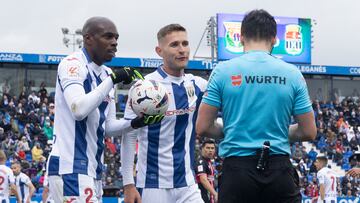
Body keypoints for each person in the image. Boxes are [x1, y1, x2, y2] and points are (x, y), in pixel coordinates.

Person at [196, 9, 316, 203]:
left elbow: (202, 127)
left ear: (241, 37)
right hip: (279, 169)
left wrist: (237, 131)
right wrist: (272, 132)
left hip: (237, 171)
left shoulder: (223, 71)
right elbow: (309, 131)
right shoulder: (293, 74)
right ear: (275, 39)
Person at [47, 16, 145, 202]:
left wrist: (135, 123)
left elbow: (107, 127)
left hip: (93, 168)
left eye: (116, 38)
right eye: (108, 37)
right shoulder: (72, 64)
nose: (114, 43)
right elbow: (78, 109)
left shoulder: (107, 74)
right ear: (88, 38)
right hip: (71, 165)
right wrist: (112, 80)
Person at [121, 23, 207, 203]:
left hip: (187, 185)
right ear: (159, 51)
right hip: (153, 186)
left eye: (185, 43)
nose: (182, 50)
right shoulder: (142, 88)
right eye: (174, 45)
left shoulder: (197, 85)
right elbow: (128, 136)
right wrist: (128, 184)